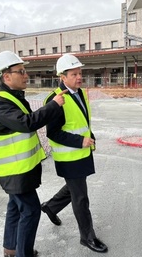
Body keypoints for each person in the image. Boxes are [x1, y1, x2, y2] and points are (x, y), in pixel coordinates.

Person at [0, 51, 67, 257]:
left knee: (15, 208)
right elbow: (27, 123)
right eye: (21, 71)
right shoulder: (0, 103)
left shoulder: (12, 98)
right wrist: (54, 105)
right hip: (15, 171)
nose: (26, 75)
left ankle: (10, 249)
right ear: (6, 76)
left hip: (19, 169)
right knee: (30, 211)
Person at [42, 54, 108, 253]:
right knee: (80, 197)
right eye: (74, 74)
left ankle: (51, 207)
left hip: (81, 153)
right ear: (63, 77)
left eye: (80, 73)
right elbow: (52, 133)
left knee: (74, 189)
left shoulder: (79, 93)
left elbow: (80, 121)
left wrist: (89, 136)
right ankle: (87, 237)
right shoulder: (56, 100)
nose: (79, 77)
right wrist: (80, 141)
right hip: (69, 157)